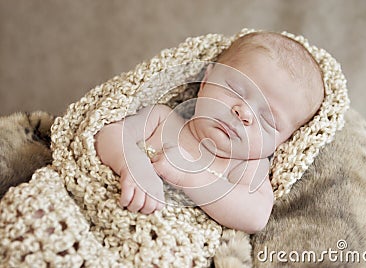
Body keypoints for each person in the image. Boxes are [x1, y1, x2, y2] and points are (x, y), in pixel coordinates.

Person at [95, 31, 324, 234]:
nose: (243, 113)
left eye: (267, 120)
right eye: (235, 89)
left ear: (284, 141)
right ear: (206, 80)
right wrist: (133, 165)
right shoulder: (162, 118)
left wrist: (191, 177)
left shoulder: (245, 167)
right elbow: (109, 134)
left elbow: (256, 216)